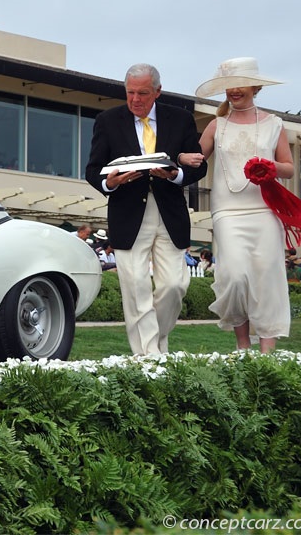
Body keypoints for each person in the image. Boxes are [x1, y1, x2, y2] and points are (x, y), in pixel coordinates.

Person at [85, 63, 208, 356]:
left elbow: (198, 164)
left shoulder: (180, 119)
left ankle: (157, 341)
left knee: (175, 285)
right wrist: (110, 182)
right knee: (136, 285)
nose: (135, 100)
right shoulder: (107, 120)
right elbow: (93, 170)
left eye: (142, 93)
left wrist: (177, 174)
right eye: (130, 93)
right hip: (127, 212)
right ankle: (149, 356)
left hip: (170, 212)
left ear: (157, 91)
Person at [193, 57, 295, 353]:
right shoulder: (217, 125)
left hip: (264, 210)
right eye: (228, 86)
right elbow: (195, 158)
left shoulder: (274, 124)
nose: (233, 91)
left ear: (255, 86)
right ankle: (241, 345)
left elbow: (288, 166)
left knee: (266, 276)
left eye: (239, 84)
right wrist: (180, 159)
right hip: (227, 211)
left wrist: (271, 166)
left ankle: (266, 352)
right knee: (234, 275)